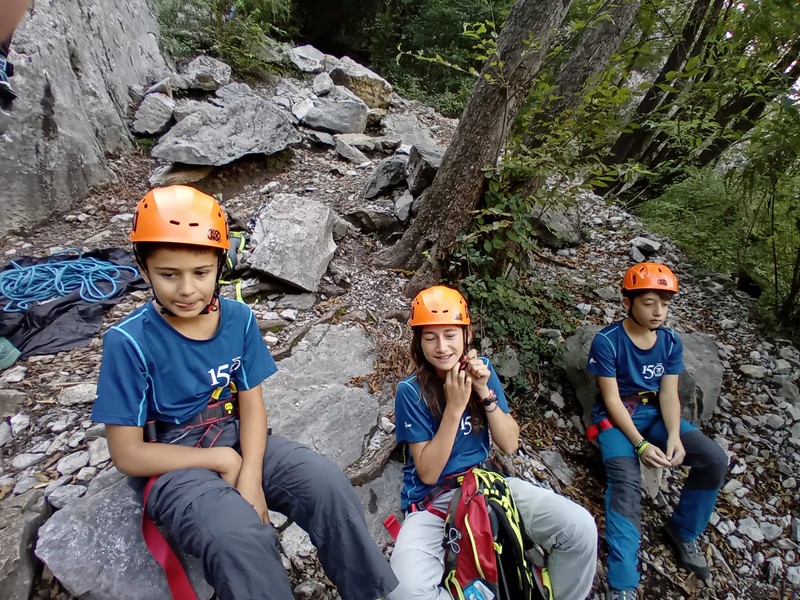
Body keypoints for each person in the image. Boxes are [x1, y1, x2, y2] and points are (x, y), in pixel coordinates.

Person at [91, 185, 398, 600]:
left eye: (200, 273)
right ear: (144, 269)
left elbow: (252, 408)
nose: (186, 290)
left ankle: (369, 592)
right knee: (238, 538)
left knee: (327, 486)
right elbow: (128, 454)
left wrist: (249, 475)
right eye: (168, 274)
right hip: (172, 466)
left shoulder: (238, 319)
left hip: (237, 440)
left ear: (220, 266)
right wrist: (220, 458)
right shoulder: (129, 342)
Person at [389, 285, 597, 600]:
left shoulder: (481, 371)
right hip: (432, 501)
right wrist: (455, 408)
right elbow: (428, 473)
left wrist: (484, 392)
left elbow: (510, 443)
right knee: (405, 592)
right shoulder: (411, 391)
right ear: (419, 342)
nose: (442, 346)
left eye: (450, 335)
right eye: (430, 337)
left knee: (579, 528)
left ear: (465, 334)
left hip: (487, 484)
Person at [587, 262, 728, 600]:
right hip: (617, 419)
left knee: (713, 460)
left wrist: (676, 436)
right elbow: (611, 400)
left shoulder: (669, 342)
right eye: (649, 302)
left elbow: (668, 394)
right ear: (628, 302)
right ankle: (622, 582)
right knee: (626, 481)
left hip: (654, 414)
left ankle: (683, 530)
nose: (658, 312)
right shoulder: (607, 341)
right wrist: (639, 446)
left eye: (664, 304)